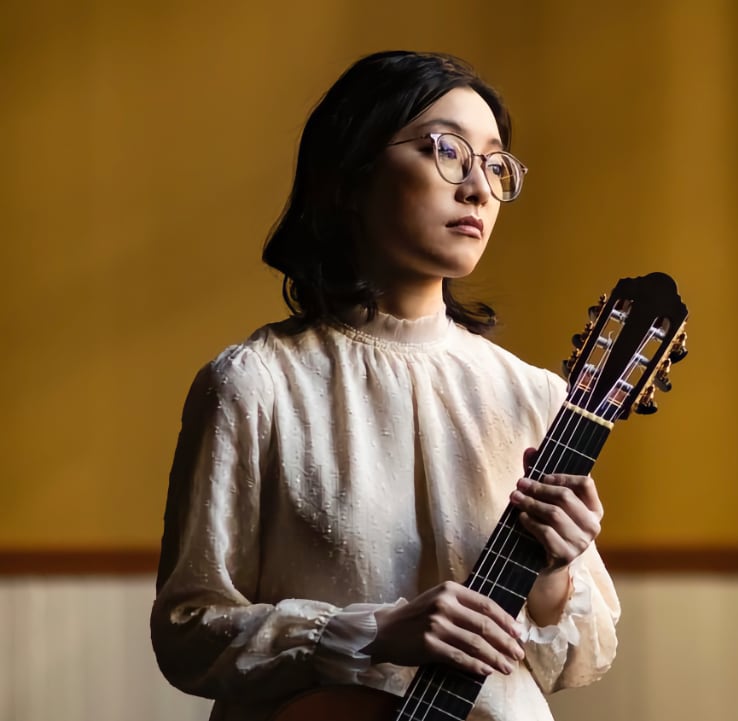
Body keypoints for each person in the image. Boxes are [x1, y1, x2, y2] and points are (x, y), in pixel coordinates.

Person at [151, 50, 620, 721]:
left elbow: (573, 661)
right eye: (447, 151)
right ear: (351, 174)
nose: (478, 189)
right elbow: (189, 630)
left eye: (495, 165)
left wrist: (553, 571)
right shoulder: (254, 386)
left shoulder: (536, 397)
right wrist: (369, 632)